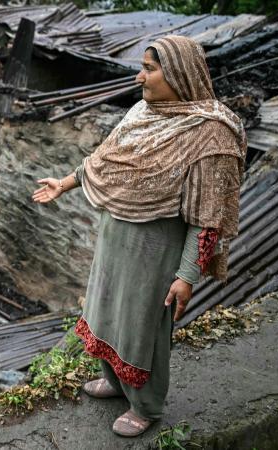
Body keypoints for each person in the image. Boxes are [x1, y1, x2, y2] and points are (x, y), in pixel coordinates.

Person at [31, 35, 246, 437]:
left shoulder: (210, 134)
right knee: (106, 311)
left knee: (141, 325)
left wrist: (186, 276)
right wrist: (65, 183)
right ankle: (116, 384)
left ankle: (146, 405)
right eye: (142, 67)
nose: (139, 77)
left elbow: (208, 216)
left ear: (179, 74)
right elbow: (105, 160)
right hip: (116, 238)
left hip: (155, 250)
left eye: (149, 68)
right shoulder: (141, 114)